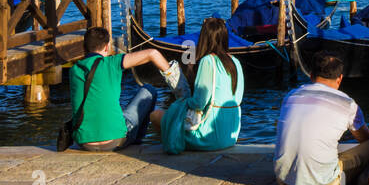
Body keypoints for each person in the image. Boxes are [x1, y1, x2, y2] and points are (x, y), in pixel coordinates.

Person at [273, 52, 369, 185]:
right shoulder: (348, 103)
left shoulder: (291, 95)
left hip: (283, 181)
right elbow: (365, 139)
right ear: (339, 79)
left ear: (311, 75)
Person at [68, 26, 175, 151]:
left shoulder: (74, 70)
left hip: (84, 142)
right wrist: (176, 82)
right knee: (148, 90)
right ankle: (136, 143)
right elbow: (153, 53)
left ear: (84, 47)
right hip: (114, 140)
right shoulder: (112, 63)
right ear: (107, 47)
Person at [162, 17, 245, 153]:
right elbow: (238, 98)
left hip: (208, 137)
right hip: (231, 136)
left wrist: (183, 99)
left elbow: (198, 103)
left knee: (160, 116)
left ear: (204, 38)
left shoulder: (208, 61)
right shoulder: (236, 61)